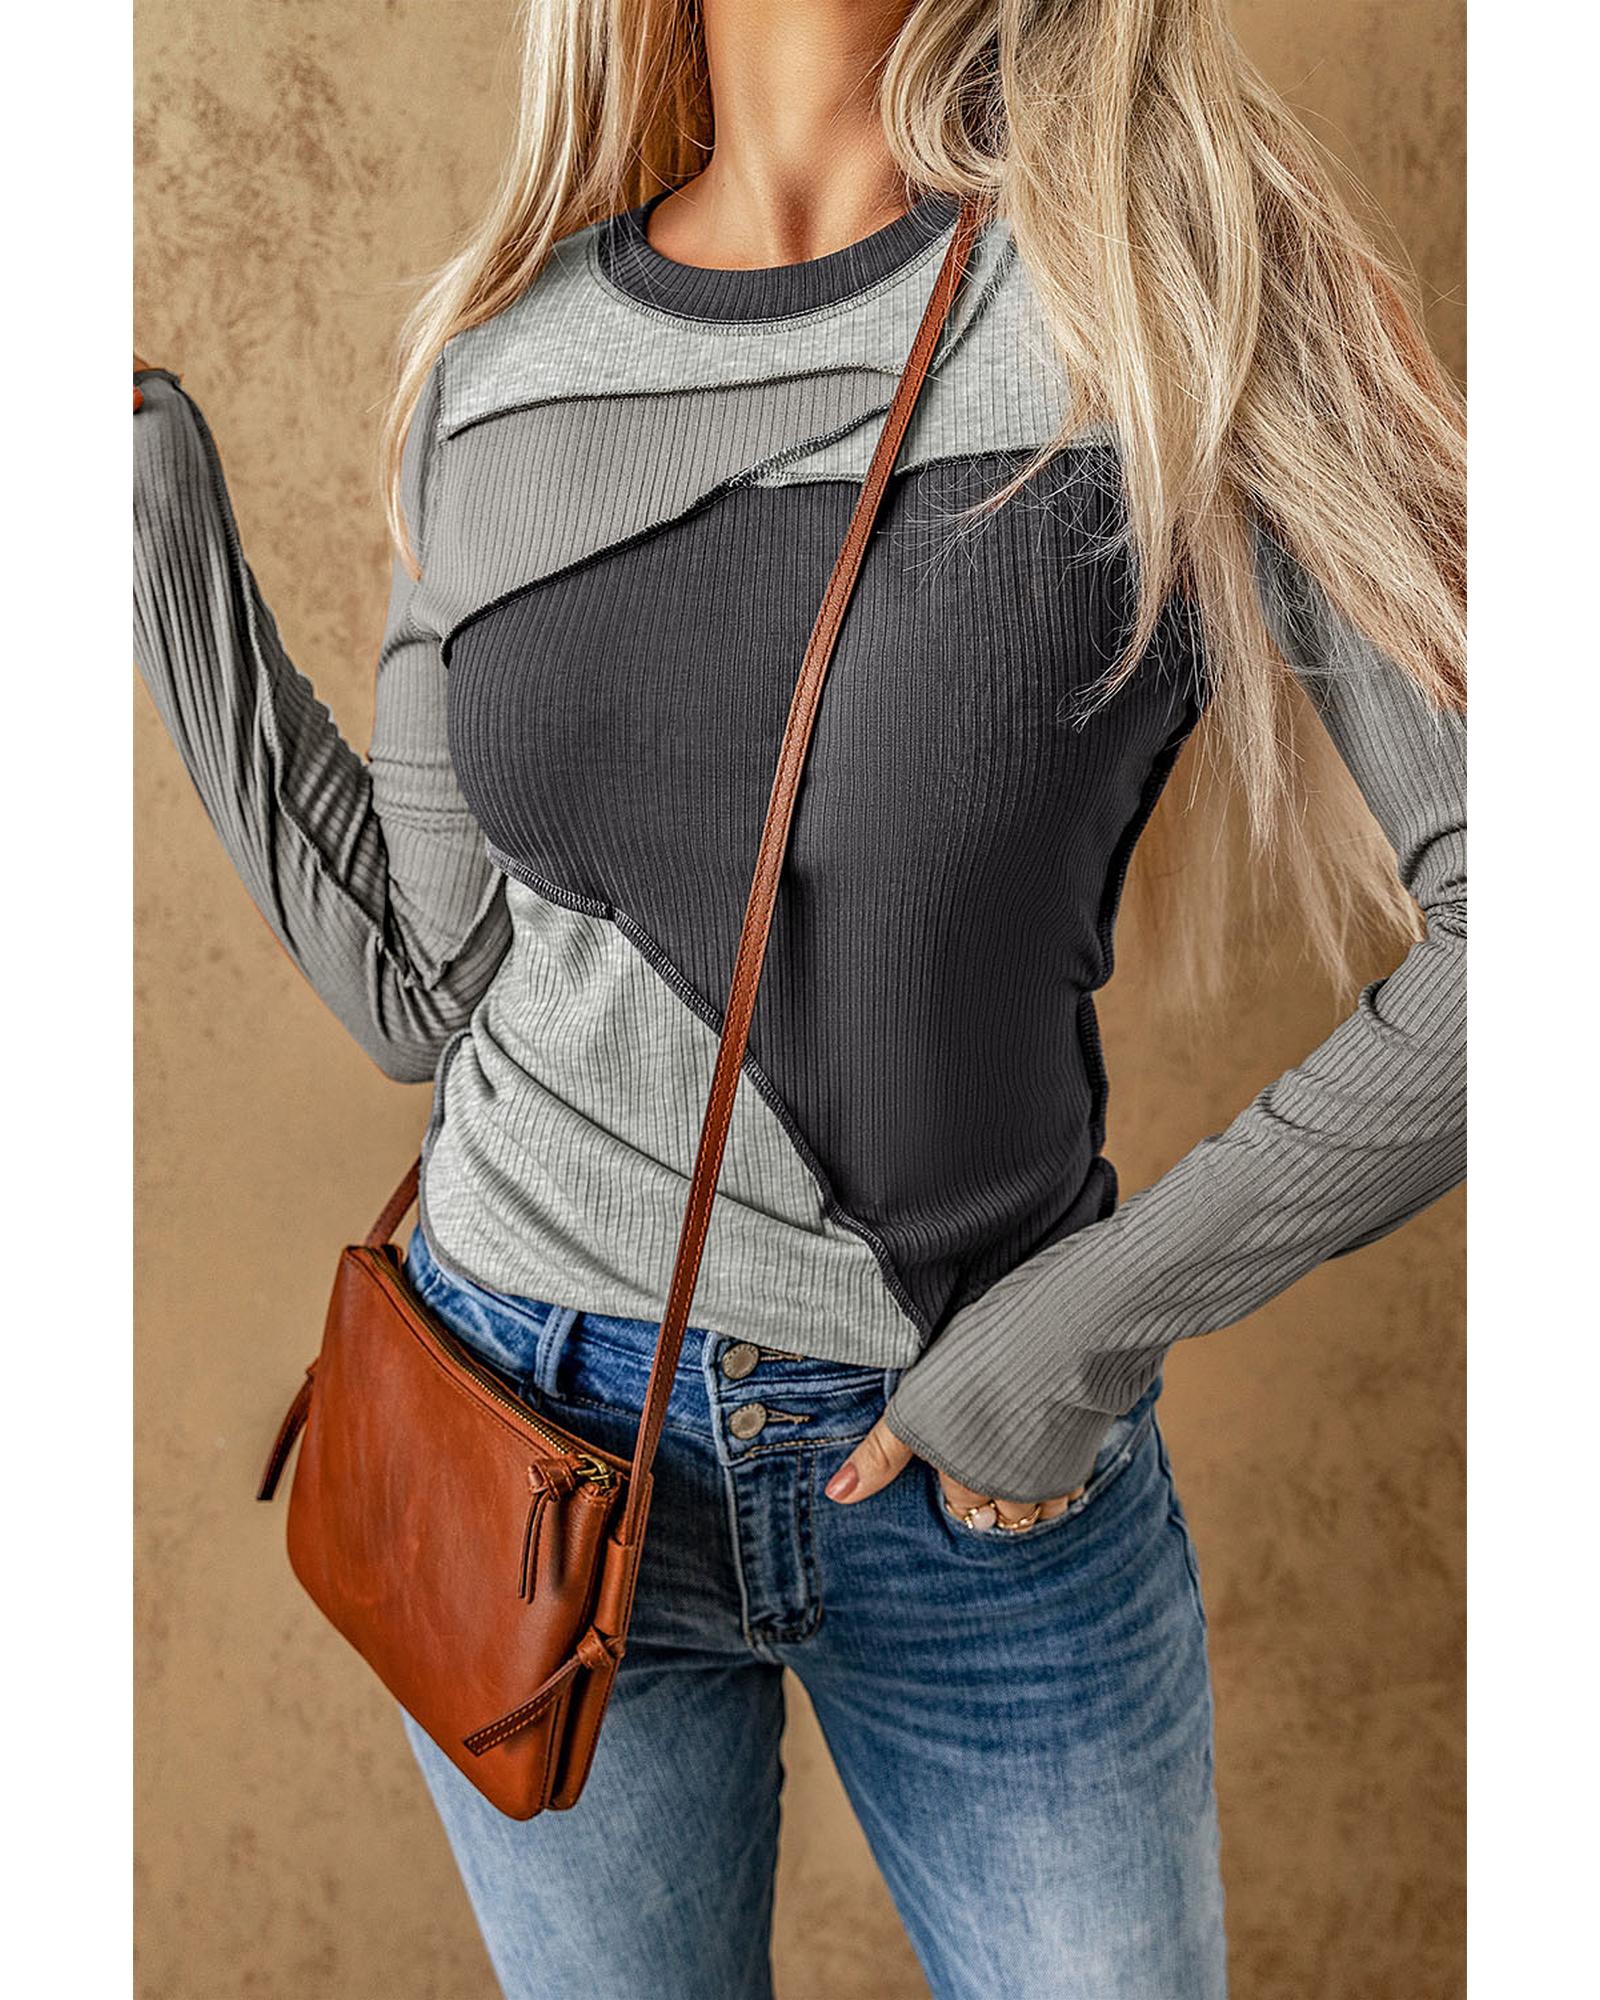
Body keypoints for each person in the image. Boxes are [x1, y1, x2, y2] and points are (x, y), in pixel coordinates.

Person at [132, 2, 1465, 1994]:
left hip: (974, 1469)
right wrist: (145, 513)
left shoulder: (1185, 288)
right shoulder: (502, 363)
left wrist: (1069, 1340)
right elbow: (426, 983)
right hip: (524, 1435)